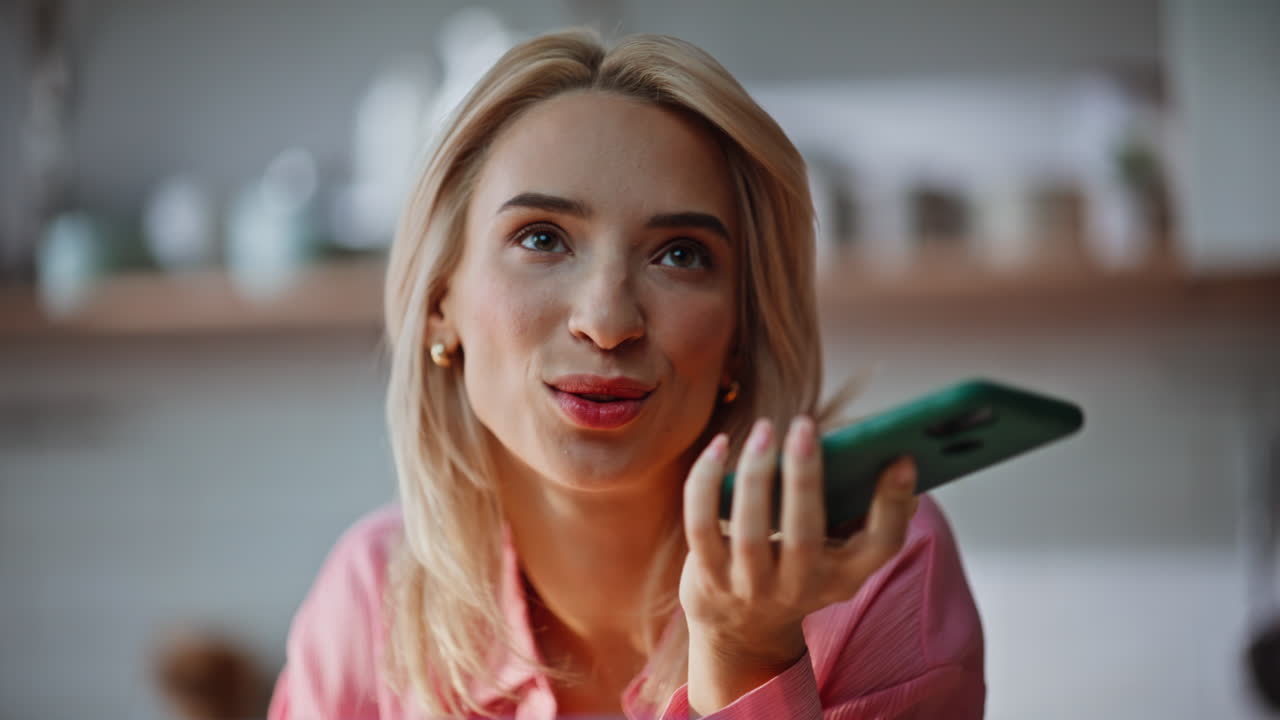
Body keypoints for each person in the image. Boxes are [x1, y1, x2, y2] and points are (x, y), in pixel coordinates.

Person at [268, 29, 984, 720]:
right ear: (438, 304)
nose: (608, 322)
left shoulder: (875, 559)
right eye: (541, 239)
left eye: (680, 254)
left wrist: (748, 657)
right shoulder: (371, 593)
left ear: (742, 332)